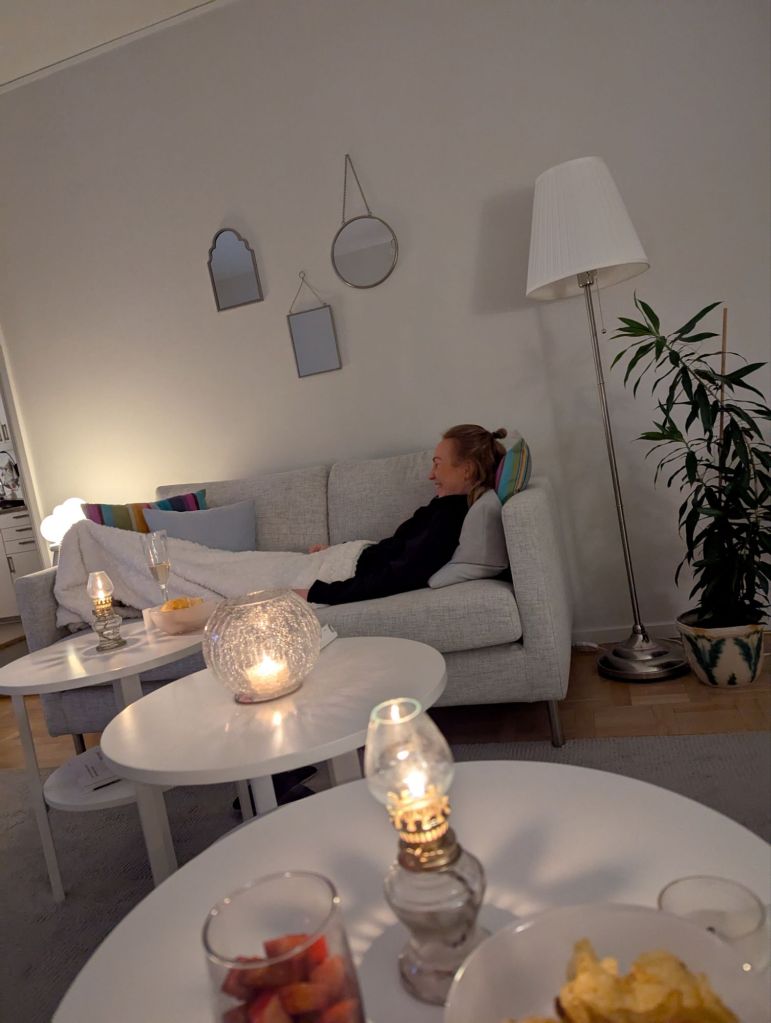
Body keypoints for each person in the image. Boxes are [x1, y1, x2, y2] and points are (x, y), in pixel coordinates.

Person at [300, 424, 508, 606]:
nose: (431, 475)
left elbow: (398, 575)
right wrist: (337, 550)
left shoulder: (450, 518)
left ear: (467, 470)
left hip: (344, 571)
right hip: (350, 557)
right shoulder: (446, 506)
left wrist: (316, 593)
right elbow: (397, 548)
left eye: (437, 464)